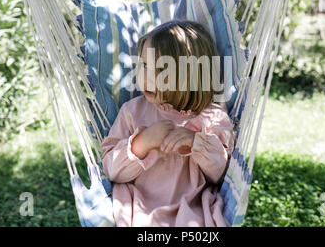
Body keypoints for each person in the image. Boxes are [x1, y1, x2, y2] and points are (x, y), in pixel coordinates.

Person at [101, 19, 235, 227]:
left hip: (192, 208)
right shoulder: (133, 112)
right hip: (138, 206)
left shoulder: (212, 118)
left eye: (161, 70)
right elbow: (112, 171)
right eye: (144, 65)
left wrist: (196, 142)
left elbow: (220, 175)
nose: (146, 76)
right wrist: (141, 143)